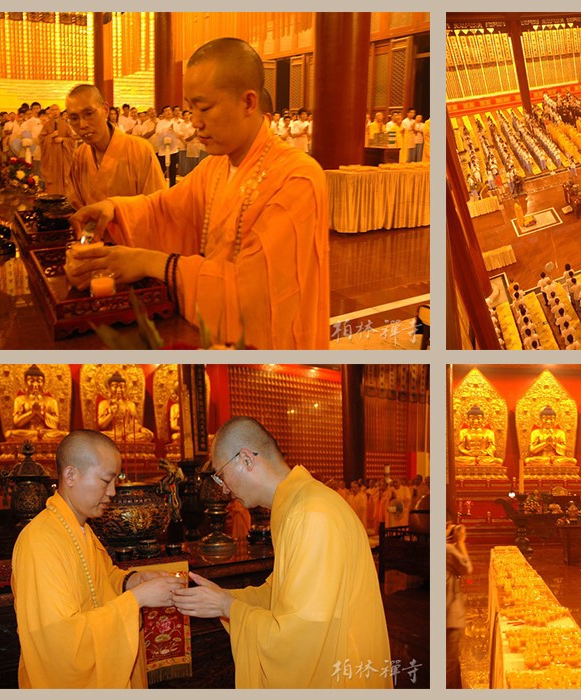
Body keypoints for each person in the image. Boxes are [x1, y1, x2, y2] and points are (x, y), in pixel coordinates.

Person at [66, 38, 330, 349]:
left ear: (248, 103)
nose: (195, 122)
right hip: (213, 336)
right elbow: (162, 208)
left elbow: (256, 296)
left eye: (204, 108)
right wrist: (113, 209)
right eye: (191, 108)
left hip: (271, 352)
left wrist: (148, 261)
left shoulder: (297, 177)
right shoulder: (215, 167)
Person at [171, 417, 391, 688]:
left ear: (246, 459)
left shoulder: (312, 513)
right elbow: (280, 594)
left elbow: (302, 634)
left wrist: (228, 607)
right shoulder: (295, 505)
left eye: (221, 475)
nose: (224, 488)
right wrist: (225, 597)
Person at [11, 430, 184, 687]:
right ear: (70, 475)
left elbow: (101, 580)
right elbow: (59, 641)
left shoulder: (80, 529)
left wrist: (131, 581)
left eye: (115, 481)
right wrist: (136, 599)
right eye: (106, 480)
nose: (113, 492)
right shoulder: (40, 540)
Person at [65, 85, 166, 209]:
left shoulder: (140, 150)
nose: (82, 125)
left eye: (89, 114)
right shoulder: (80, 155)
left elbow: (156, 204)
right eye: (74, 118)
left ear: (105, 110)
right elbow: (75, 204)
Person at [446, 521, 472, 689]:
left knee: (452, 664)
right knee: (449, 665)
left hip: (448, 613)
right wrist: (461, 542)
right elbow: (466, 568)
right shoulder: (447, 550)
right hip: (450, 615)